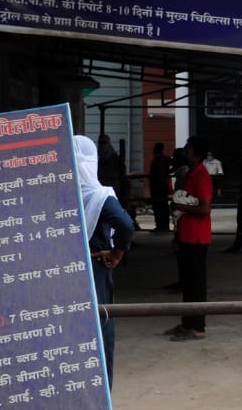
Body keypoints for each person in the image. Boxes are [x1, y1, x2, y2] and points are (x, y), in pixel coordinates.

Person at [74, 135, 135, 388]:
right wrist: (118, 253)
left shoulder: (60, 193)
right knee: (101, 323)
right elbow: (125, 225)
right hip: (96, 269)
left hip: (68, 269)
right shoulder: (98, 197)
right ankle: (101, 390)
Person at [165, 136, 213, 342]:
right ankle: (188, 321)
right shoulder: (192, 174)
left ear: (196, 152)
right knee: (189, 282)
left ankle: (197, 326)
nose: (186, 151)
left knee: (196, 283)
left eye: (189, 148)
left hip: (197, 237)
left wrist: (179, 207)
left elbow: (204, 208)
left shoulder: (201, 176)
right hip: (187, 235)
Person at [148, 142, 172, 233]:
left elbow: (159, 174)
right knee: (163, 206)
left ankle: (161, 225)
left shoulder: (158, 160)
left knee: (158, 207)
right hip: (162, 186)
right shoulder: (165, 159)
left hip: (158, 187)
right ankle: (163, 225)